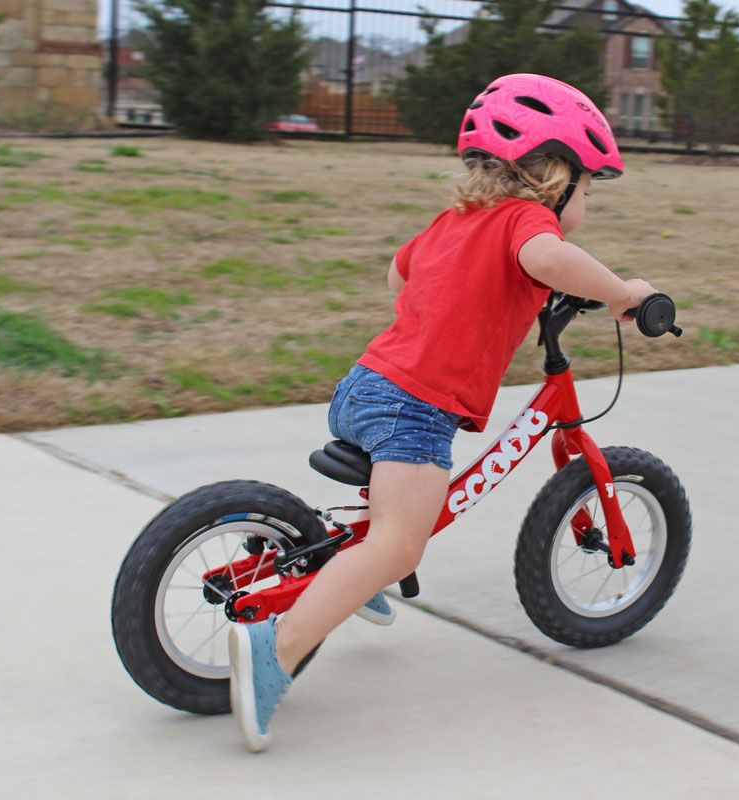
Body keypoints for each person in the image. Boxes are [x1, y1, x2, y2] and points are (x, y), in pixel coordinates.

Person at [228, 73, 657, 752]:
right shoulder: (528, 223)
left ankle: (339, 574)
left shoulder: (454, 220)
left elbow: (399, 276)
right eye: (589, 186)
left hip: (362, 386)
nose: (588, 203)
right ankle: (276, 650)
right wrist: (622, 292)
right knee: (402, 542)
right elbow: (547, 255)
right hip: (412, 408)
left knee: (386, 526)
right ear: (554, 177)